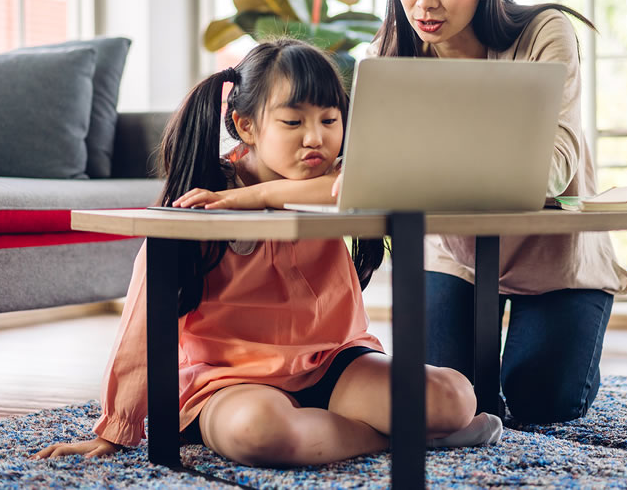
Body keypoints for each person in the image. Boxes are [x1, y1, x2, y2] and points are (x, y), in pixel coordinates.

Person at [32, 38, 501, 467]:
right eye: (293, 122)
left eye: (329, 120)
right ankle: (404, 438)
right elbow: (144, 314)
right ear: (246, 127)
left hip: (330, 363)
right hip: (228, 380)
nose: (315, 137)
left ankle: (365, 429)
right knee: (258, 432)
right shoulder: (204, 197)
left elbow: (357, 185)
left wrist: (257, 197)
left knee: (454, 397)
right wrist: (118, 428)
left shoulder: (339, 182)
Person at [372, 0, 627, 425]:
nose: (425, 1)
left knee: (542, 398)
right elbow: (379, 170)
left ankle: (567, 347)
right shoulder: (393, 54)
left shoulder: (543, 34)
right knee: (447, 397)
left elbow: (557, 167)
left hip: (555, 256)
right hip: (455, 255)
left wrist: (426, 169)